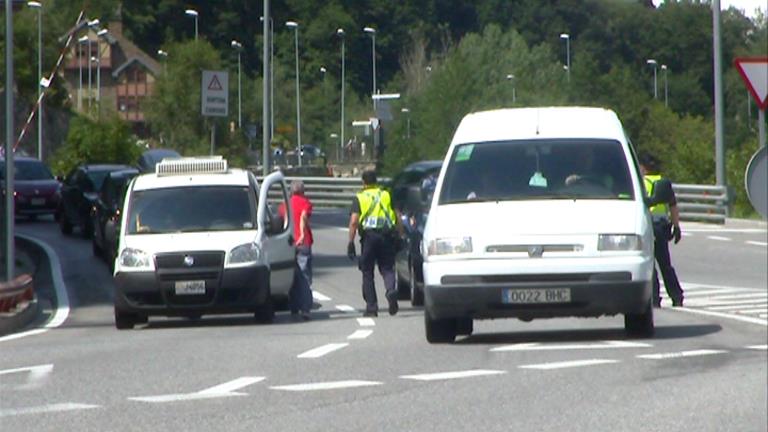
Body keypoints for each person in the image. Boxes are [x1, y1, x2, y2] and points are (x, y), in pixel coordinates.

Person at [347, 170, 401, 317]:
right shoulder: (386, 194)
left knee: (367, 271)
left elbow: (353, 222)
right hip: (386, 235)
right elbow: (397, 215)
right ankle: (391, 290)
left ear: (364, 182)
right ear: (376, 181)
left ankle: (372, 307)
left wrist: (351, 242)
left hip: (369, 238)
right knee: (387, 268)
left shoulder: (360, 198)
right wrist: (400, 235)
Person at [640, 155, 684, 307]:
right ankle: (677, 296)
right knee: (665, 264)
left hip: (647, 227)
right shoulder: (663, 182)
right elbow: (673, 206)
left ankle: (654, 297)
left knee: (650, 264)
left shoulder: (639, 183)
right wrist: (676, 226)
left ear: (643, 168)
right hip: (662, 227)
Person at [279, 180, 314, 320]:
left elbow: (282, 219)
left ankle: (293, 307)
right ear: (303, 191)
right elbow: (304, 216)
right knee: (304, 277)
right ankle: (305, 309)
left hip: (288, 243)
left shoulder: (284, 205)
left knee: (292, 275)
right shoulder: (306, 203)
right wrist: (303, 233)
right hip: (303, 242)